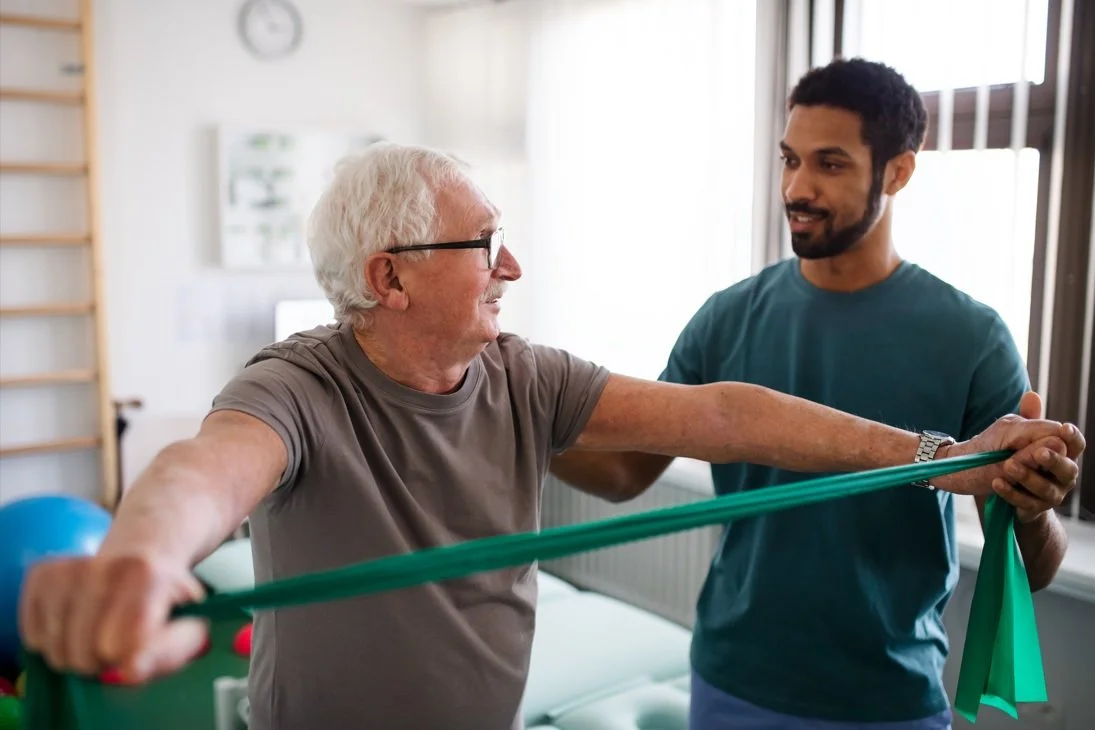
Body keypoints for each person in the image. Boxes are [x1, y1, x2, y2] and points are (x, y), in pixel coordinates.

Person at [19, 142, 1081, 730]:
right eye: (485, 245)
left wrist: (942, 460)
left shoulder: (519, 372)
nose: (512, 267)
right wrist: (142, 557)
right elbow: (206, 469)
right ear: (389, 277)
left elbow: (721, 412)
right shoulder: (298, 384)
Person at [549, 58, 1087, 730]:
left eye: (828, 164)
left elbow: (1027, 568)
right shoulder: (727, 316)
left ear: (897, 171)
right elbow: (624, 471)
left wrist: (1034, 509)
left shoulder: (970, 337)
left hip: (888, 699)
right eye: (788, 159)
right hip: (733, 680)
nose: (796, 187)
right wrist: (519, 416)